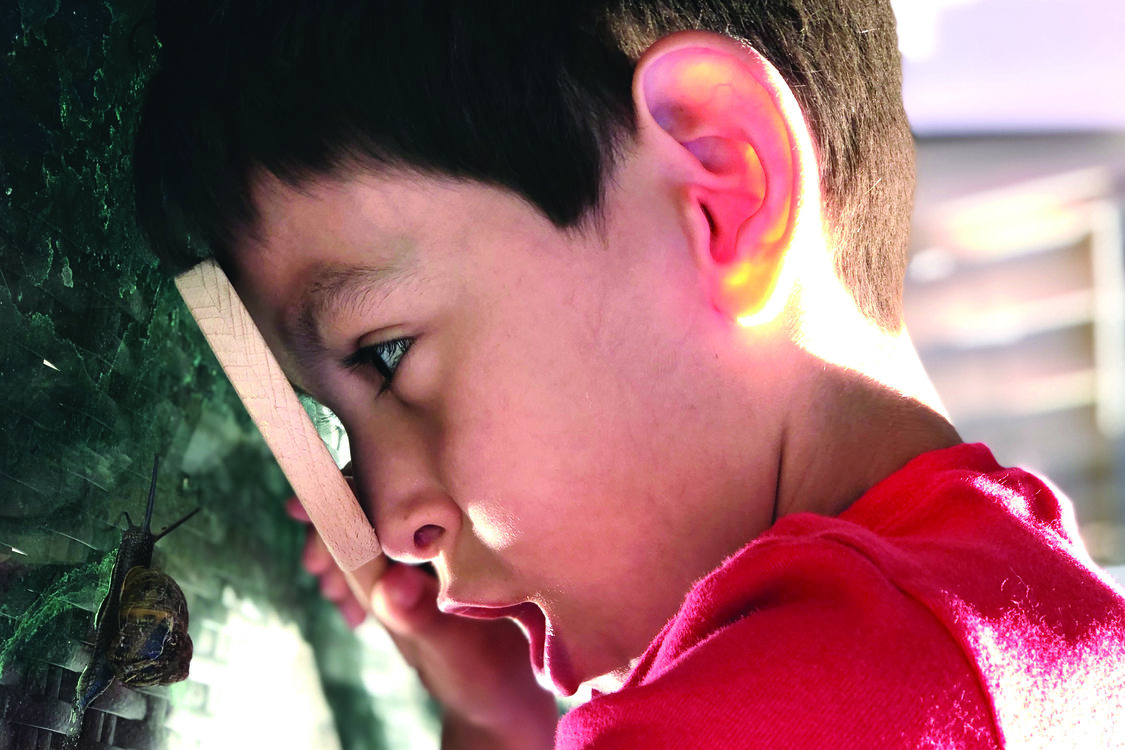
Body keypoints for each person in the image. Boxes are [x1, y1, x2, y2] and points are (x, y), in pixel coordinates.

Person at [132, 1, 1125, 747]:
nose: (391, 523)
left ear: (718, 184)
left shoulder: (844, 695)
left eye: (386, 356)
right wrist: (506, 718)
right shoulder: (1006, 630)